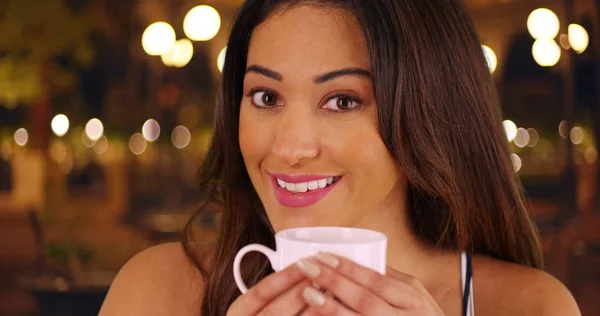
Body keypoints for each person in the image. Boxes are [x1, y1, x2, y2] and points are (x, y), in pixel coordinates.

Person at [99, 0, 581, 315]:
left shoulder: (530, 305)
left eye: (342, 101)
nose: (288, 148)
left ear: (426, 110)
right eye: (266, 97)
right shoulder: (157, 291)